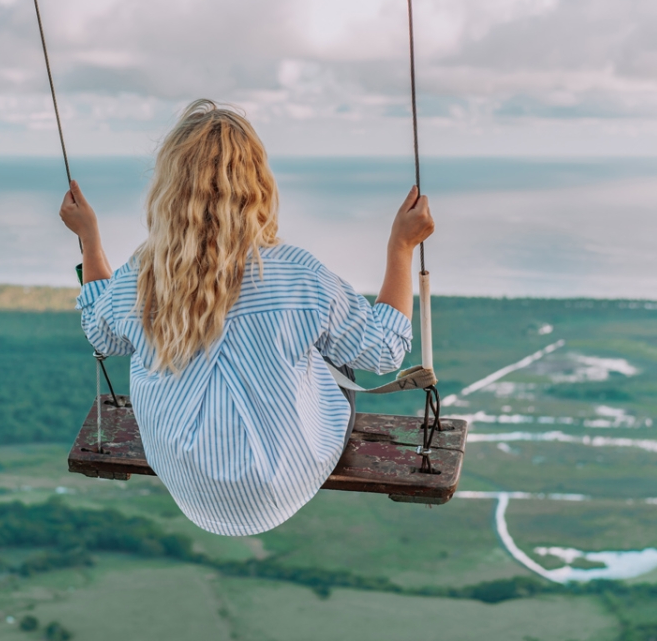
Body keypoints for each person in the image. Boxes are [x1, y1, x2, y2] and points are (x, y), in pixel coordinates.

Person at [59, 99, 435, 536]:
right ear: (257, 184)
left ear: (169, 190)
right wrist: (401, 248)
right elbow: (386, 349)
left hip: (189, 482)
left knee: (149, 337)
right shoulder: (298, 275)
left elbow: (102, 334)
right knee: (334, 351)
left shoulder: (142, 276)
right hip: (286, 481)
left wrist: (89, 236)